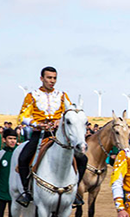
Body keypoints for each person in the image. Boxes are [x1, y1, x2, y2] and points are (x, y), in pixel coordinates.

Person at [16, 67, 88, 208]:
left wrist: (59, 120)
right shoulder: (32, 96)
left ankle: (75, 192)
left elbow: (70, 112)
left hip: (57, 134)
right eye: (49, 78)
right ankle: (26, 192)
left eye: (54, 78)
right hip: (40, 134)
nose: (52, 81)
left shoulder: (62, 95)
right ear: (41, 78)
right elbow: (23, 116)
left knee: (83, 159)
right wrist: (37, 124)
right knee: (23, 158)